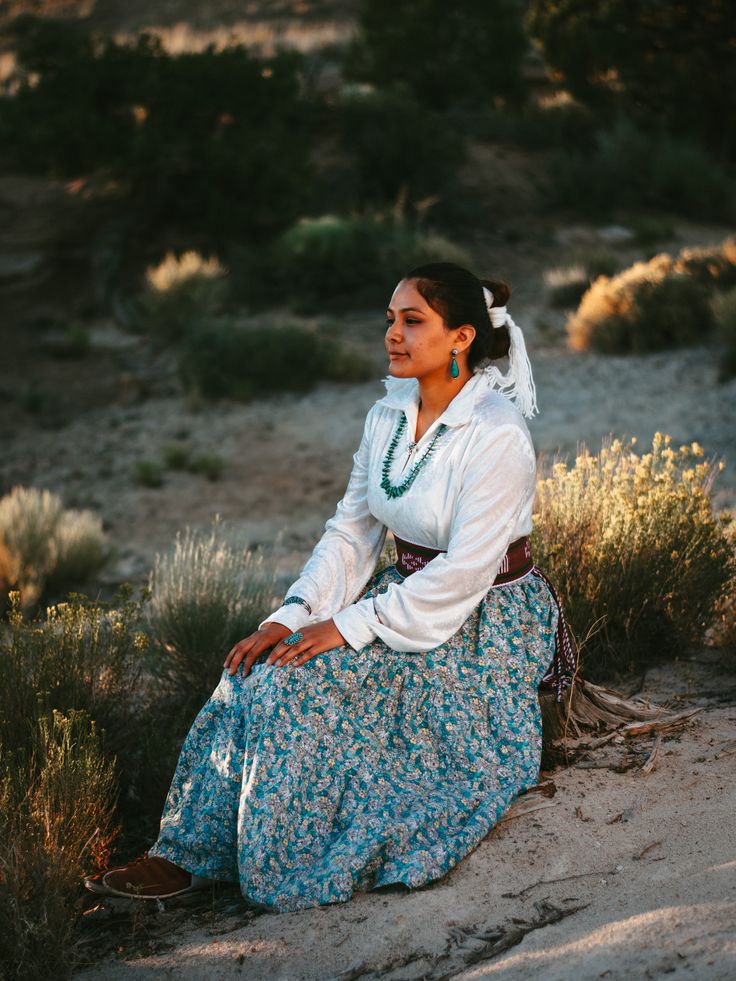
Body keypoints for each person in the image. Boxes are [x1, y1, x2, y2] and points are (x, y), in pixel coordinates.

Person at [84, 262, 574, 912]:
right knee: (253, 671)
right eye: (389, 320)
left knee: (297, 689)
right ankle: (184, 855)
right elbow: (350, 533)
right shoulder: (388, 416)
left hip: (480, 619)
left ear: (460, 337)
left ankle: (277, 862)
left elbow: (463, 575)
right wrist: (292, 615)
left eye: (412, 320)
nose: (392, 335)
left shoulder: (497, 434)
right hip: (402, 593)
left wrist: (344, 626)